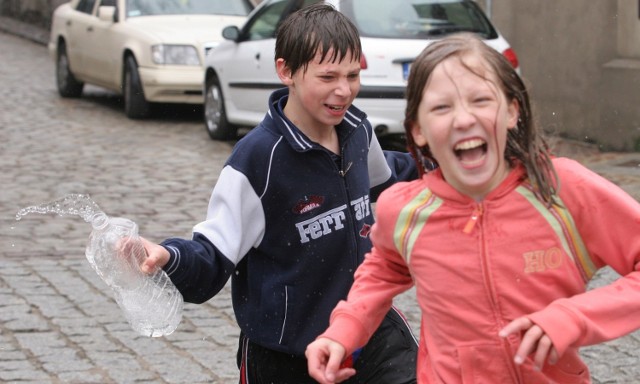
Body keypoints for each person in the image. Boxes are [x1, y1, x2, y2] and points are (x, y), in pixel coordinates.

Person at [306, 32, 640, 383]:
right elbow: (384, 268)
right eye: (442, 107)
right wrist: (344, 329)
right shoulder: (404, 210)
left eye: (480, 100)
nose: (463, 119)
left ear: (512, 111)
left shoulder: (561, 190)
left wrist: (574, 317)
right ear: (418, 131)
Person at [138, 3, 419, 383]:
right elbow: (212, 257)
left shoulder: (357, 131)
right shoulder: (256, 161)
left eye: (353, 75)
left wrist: (445, 162)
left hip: (368, 332)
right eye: (328, 76)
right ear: (286, 71)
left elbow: (390, 180)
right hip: (287, 353)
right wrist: (169, 256)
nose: (344, 90)